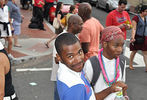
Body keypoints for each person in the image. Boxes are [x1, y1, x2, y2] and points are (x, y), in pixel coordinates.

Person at [84, 26, 129, 100]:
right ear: (105, 44)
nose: (120, 50)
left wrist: (125, 96)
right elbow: (86, 96)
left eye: (122, 45)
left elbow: (121, 86)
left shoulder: (122, 61)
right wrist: (110, 89)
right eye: (116, 46)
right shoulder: (91, 64)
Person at [50, 14, 83, 100]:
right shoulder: (61, 39)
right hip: (62, 80)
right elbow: (56, 59)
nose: (82, 26)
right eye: (80, 24)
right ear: (72, 24)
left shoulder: (75, 37)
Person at [55, 33, 96, 100]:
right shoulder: (74, 86)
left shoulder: (72, 68)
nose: (78, 60)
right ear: (59, 57)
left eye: (79, 52)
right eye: (70, 56)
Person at [129, 5, 147, 71]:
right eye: (146, 11)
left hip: (144, 37)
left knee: (145, 52)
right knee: (134, 51)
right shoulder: (136, 18)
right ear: (142, 11)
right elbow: (134, 28)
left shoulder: (146, 18)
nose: (146, 13)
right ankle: (130, 64)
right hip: (137, 37)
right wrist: (133, 37)